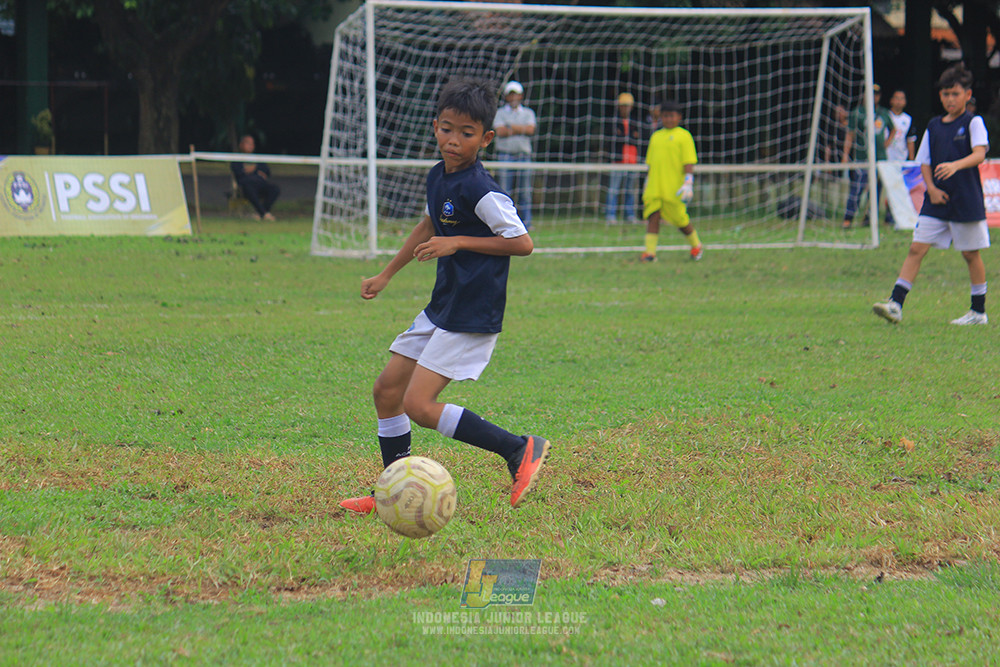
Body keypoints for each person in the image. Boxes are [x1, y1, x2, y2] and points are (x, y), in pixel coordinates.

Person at [339, 78, 550, 515]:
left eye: (467, 133)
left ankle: (519, 448)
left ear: (486, 138)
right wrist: (385, 274)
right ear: (435, 126)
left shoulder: (482, 188)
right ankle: (394, 491)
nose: (454, 141)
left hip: (472, 310)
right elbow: (429, 224)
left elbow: (522, 242)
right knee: (387, 390)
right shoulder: (439, 176)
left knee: (418, 404)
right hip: (443, 305)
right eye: (447, 129)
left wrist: (459, 243)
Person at [873, 63, 990, 326]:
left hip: (965, 198)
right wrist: (932, 189)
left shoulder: (974, 122)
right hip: (936, 200)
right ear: (940, 96)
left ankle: (978, 312)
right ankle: (896, 304)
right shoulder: (935, 126)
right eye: (946, 94)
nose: (950, 99)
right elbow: (924, 162)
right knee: (916, 248)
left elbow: (980, 153)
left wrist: (956, 165)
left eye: (956, 94)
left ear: (967, 95)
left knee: (971, 254)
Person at [639, 100, 702, 262]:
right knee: (653, 216)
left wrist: (688, 182)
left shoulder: (684, 136)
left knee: (680, 220)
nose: (668, 119)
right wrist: (647, 182)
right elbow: (651, 163)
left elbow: (688, 161)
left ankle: (696, 245)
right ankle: (650, 253)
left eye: (671, 116)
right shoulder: (656, 136)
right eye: (665, 116)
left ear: (678, 117)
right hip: (656, 186)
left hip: (674, 187)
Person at [841, 84, 894, 229]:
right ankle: (848, 219)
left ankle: (869, 218)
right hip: (861, 158)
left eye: (876, 94)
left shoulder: (883, 113)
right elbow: (850, 135)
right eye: (870, 94)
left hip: (880, 159)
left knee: (876, 191)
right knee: (857, 188)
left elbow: (893, 129)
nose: (873, 97)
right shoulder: (857, 113)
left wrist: (887, 143)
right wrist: (845, 154)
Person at [493, 80, 536, 229]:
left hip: (524, 156)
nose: (513, 98)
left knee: (525, 192)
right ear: (506, 96)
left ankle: (527, 223)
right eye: (510, 95)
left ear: (521, 96)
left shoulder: (528, 112)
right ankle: (506, 223)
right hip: (505, 155)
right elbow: (500, 132)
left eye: (516, 95)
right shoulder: (499, 113)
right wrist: (521, 129)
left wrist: (510, 127)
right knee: (505, 192)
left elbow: (531, 130)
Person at [606, 92, 643, 224]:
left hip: (632, 161)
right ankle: (610, 216)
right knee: (613, 189)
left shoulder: (635, 122)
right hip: (618, 160)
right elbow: (616, 139)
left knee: (630, 190)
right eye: (623, 105)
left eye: (627, 106)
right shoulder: (613, 121)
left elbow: (637, 138)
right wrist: (629, 137)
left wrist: (627, 137)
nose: (625, 108)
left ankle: (630, 215)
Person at [230, 134, 280, 221]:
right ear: (241, 145)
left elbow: (267, 171)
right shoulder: (236, 158)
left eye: (252, 144)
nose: (250, 146)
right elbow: (239, 173)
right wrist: (256, 172)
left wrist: (254, 169)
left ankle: (260, 213)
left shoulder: (257, 158)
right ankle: (264, 213)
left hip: (260, 184)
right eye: (248, 143)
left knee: (275, 189)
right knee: (249, 188)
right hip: (246, 185)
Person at [886, 89, 917, 162]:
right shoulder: (885, 116)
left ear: (905, 102)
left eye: (902, 99)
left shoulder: (908, 119)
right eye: (896, 98)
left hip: (902, 159)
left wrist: (912, 161)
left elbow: (910, 140)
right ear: (891, 100)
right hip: (886, 158)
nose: (899, 101)